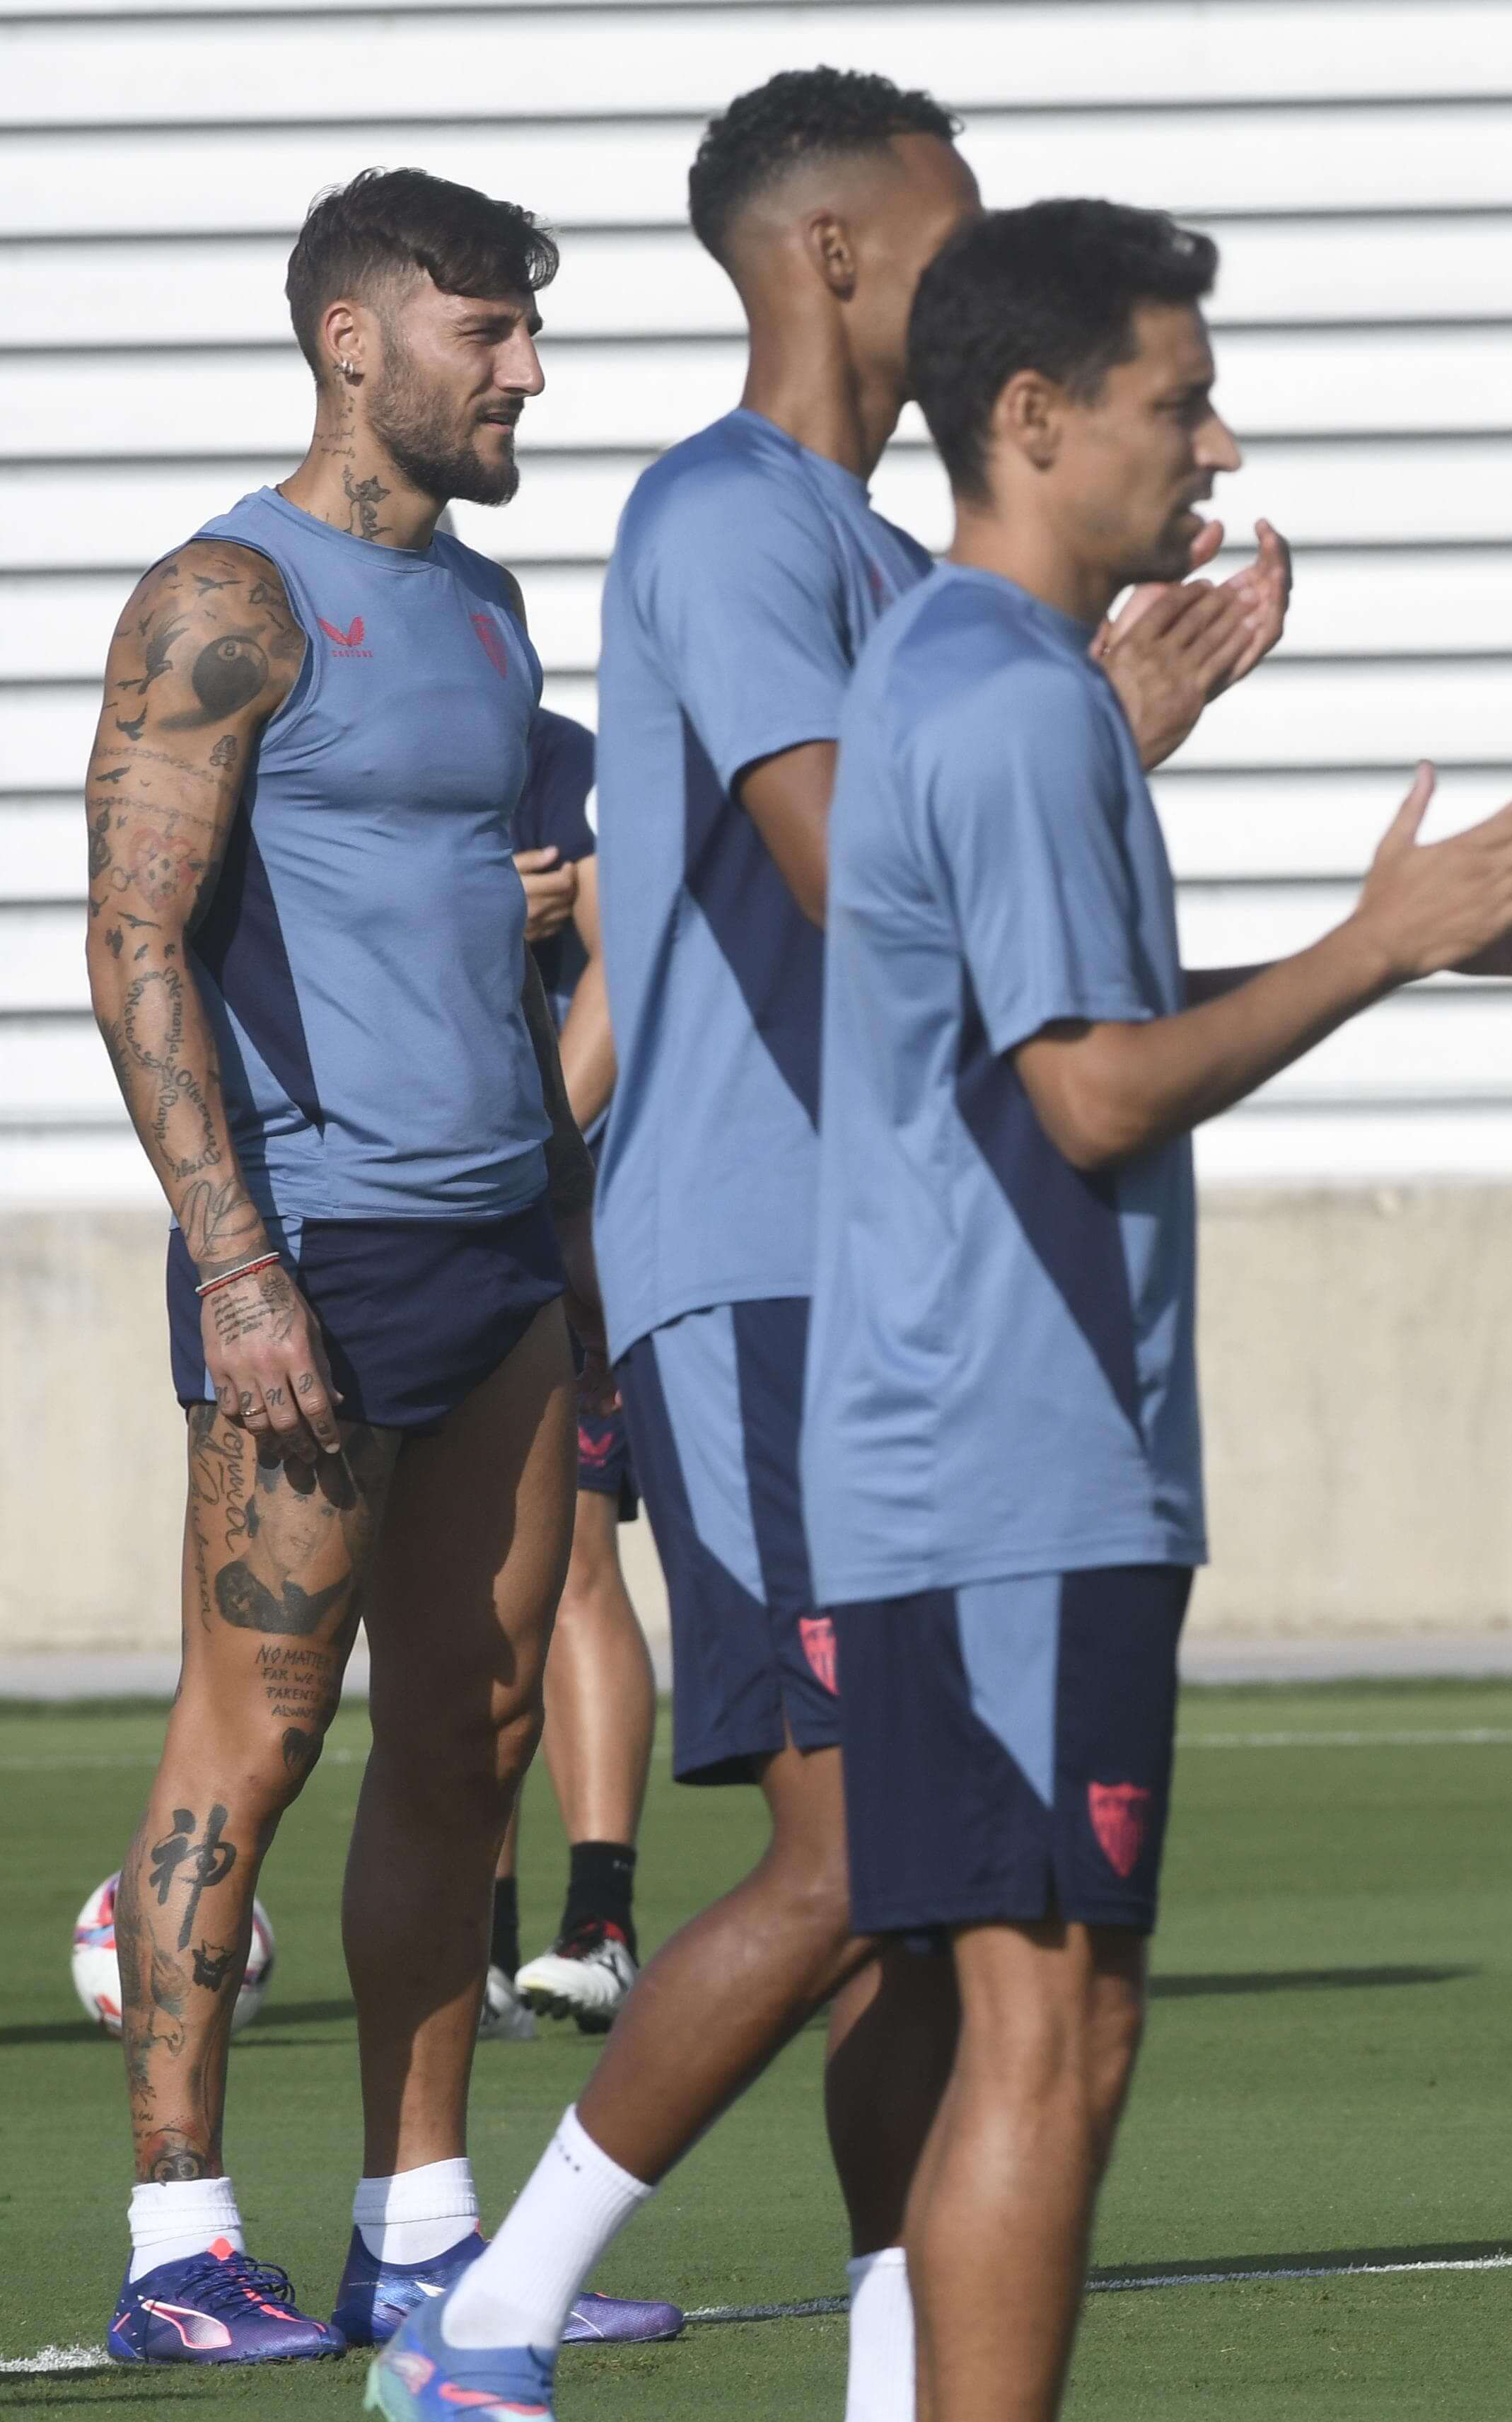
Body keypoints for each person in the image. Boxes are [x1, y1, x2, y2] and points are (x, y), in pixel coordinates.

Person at [379, 81, 1289, 2422]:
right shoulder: (726, 519)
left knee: (920, 1901)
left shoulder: (902, 569)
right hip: (773, 1268)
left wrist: (1121, 722)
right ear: (835, 258)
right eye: (952, 234)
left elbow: (929, 895)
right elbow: (835, 862)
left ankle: (894, 2388)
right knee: (862, 1847)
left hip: (895, 1266)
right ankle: (482, 2324)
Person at [827, 197, 1512, 2421]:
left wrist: (1406, 953)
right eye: (1178, 401)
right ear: (1030, 416)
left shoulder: (972, 676)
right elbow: (1089, 1096)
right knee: (1045, 2015)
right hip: (1006, 1452)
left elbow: (1037, 1031)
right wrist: (1375, 945)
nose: (1216, 446)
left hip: (981, 1450)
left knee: (1060, 2008)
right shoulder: (1007, 707)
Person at [78, 167, 676, 2368]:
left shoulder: (494, 607)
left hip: (501, 1247)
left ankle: (418, 2225)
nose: (526, 370)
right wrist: (234, 1265)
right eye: (488, 331)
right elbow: (131, 934)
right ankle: (176, 2241)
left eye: (529, 332)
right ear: (358, 339)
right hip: (307, 1252)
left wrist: (575, 1227)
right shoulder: (228, 594)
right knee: (258, 1732)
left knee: (479, 1725)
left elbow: (513, 912)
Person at [483, 707, 658, 2044]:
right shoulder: (312, 754)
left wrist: (537, 1162)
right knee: (453, 1586)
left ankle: (599, 1919)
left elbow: (627, 957)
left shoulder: (553, 758)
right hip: (389, 1214)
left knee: (574, 1558)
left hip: (551, 1216)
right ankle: (470, 1943)